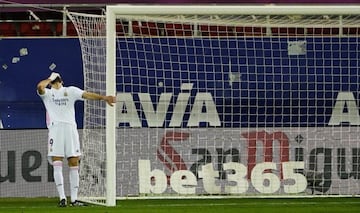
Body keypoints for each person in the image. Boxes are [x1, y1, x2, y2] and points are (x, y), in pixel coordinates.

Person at [37, 72, 116, 207]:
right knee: (57, 161)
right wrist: (50, 78)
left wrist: (104, 98)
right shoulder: (48, 94)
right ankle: (62, 198)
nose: (56, 81)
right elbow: (40, 87)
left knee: (74, 161)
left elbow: (87, 95)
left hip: (70, 129)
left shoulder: (70, 91)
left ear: (62, 80)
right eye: (54, 80)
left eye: (57, 79)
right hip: (56, 130)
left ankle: (74, 199)